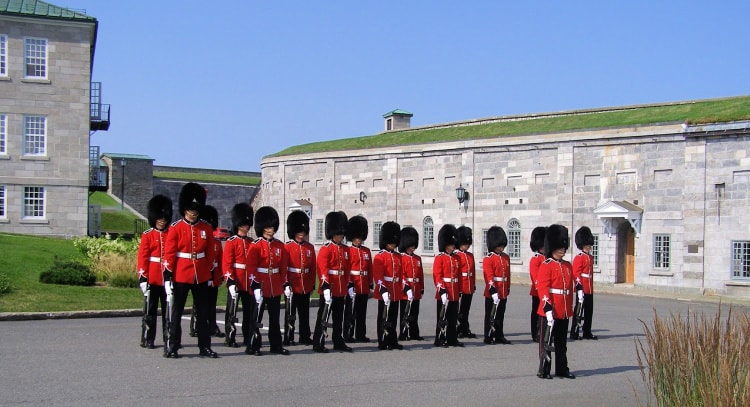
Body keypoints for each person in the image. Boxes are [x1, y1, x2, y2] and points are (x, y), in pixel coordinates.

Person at [162, 182, 218, 358]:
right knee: (177, 312)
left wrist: (208, 270)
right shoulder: (176, 228)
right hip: (181, 273)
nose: (193, 212)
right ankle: (173, 345)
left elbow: (210, 252)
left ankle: (204, 346)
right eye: (190, 209)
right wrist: (168, 274)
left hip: (200, 274)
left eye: (195, 209)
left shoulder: (205, 228)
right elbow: (170, 253)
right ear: (185, 209)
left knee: (202, 312)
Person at [246, 206, 290, 356]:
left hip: (275, 285)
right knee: (256, 318)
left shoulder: (280, 246)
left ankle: (276, 345)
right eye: (267, 227)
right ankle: (254, 344)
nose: (270, 229)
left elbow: (283, 268)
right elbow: (251, 267)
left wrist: (285, 284)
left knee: (275, 319)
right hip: (261, 285)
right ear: (262, 228)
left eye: (272, 226)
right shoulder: (256, 245)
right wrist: (255, 285)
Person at [536, 224, 576, 379]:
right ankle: (544, 369)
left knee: (561, 343)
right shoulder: (546, 265)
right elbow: (543, 287)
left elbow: (568, 289)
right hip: (550, 309)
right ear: (552, 247)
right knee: (546, 341)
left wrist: (569, 307)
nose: (563, 249)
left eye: (564, 246)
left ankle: (562, 369)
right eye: (560, 247)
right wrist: (547, 307)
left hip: (563, 309)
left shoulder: (567, 265)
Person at [312, 211, 352, 353]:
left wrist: (349, 285)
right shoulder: (326, 249)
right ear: (332, 232)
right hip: (330, 287)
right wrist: (326, 286)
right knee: (323, 316)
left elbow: (347, 269)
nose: (341, 236)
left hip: (341, 288)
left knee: (338, 317)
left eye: (342, 233)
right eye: (339, 233)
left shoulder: (345, 250)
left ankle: (338, 340)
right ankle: (318, 341)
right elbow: (322, 269)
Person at [137, 194, 172, 349]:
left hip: (166, 279)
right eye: (159, 218)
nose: (161, 221)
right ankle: (148, 338)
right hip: (152, 277)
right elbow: (143, 258)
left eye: (163, 219)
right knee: (150, 311)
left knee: (168, 311)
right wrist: (143, 278)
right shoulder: (148, 235)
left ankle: (168, 337)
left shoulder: (171, 234)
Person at [190, 205, 224, 339]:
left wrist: (220, 275)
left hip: (214, 274)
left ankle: (212, 325)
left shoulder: (216, 242)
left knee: (212, 303)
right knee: (200, 303)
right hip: (203, 274)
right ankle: (195, 326)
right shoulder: (201, 240)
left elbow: (220, 259)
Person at [222, 203, 254, 348]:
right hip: (236, 280)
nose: (246, 227)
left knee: (249, 311)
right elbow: (228, 264)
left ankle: (248, 336)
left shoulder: (251, 242)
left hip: (248, 281)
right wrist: (230, 282)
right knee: (232, 311)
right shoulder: (231, 242)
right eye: (243, 224)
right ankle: (230, 336)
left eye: (247, 224)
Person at [284, 210, 317, 346]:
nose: (301, 234)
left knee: (305, 314)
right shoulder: (287, 247)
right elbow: (284, 267)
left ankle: (304, 336)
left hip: (305, 285)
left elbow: (312, 268)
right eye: (299, 232)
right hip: (293, 284)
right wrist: (286, 284)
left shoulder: (309, 247)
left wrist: (311, 284)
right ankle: (289, 336)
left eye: (303, 232)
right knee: (290, 313)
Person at [372, 221, 405, 350]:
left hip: (396, 289)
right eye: (390, 242)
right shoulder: (380, 256)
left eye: (394, 242)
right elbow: (378, 276)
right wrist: (383, 289)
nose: (393, 244)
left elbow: (401, 274)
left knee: (393, 316)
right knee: (383, 317)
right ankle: (382, 340)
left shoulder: (398, 257)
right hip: (385, 290)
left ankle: (392, 339)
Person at [433, 224, 463, 348]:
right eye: (450, 244)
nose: (452, 246)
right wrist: (442, 290)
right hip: (444, 292)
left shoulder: (456, 258)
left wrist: (460, 289)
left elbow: (459, 275)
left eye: (453, 244)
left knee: (453, 317)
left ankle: (452, 338)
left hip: (454, 291)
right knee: (442, 317)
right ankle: (440, 338)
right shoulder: (440, 258)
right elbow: (437, 275)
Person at [344, 215, 373, 343]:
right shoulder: (349, 251)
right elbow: (347, 269)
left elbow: (369, 269)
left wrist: (370, 284)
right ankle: (348, 334)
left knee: (362, 312)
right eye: (356, 238)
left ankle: (361, 334)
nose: (359, 240)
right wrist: (350, 284)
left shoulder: (366, 251)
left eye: (360, 238)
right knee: (351, 312)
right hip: (354, 285)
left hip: (364, 285)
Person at [482, 226, 511, 345]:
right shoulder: (488, 258)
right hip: (492, 291)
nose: (501, 248)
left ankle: (499, 335)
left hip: (503, 289)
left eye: (502, 245)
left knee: (500, 315)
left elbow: (508, 275)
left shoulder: (505, 257)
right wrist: (492, 289)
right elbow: (489, 275)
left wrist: (507, 287)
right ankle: (488, 336)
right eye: (499, 245)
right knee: (490, 315)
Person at [571, 226, 597, 340]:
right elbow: (576, 274)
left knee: (589, 311)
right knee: (578, 311)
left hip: (589, 288)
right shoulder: (579, 257)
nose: (589, 246)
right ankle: (574, 332)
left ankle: (587, 331)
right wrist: (579, 288)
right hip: (582, 288)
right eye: (587, 244)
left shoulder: (590, 257)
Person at [398, 226, 424, 341]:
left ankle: (414, 332)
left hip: (416, 289)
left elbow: (420, 275)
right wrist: (406, 287)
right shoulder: (402, 258)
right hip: (406, 290)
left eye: (414, 245)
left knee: (415, 313)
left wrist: (421, 288)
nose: (412, 248)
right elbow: (401, 274)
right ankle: (403, 333)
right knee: (405, 312)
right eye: (410, 245)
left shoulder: (417, 259)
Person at [456, 226, 477, 339]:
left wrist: (473, 284)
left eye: (468, 243)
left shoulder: (470, 255)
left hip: (468, 285)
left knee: (466, 309)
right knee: (459, 310)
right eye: (465, 243)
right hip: (461, 285)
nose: (467, 245)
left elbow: (472, 271)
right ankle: (458, 328)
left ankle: (465, 328)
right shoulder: (457, 255)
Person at [529, 226, 546, 343]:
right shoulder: (536, 259)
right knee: (536, 312)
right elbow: (535, 276)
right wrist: (540, 289)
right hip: (537, 290)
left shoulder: (547, 258)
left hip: (546, 290)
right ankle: (535, 333)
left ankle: (544, 331)